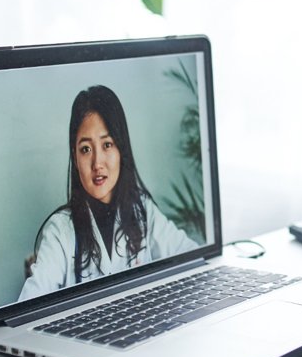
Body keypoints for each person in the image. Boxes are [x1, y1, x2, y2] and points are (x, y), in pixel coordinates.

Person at [20, 84, 198, 300]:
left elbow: (193, 259)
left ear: (121, 149)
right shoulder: (60, 231)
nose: (97, 163)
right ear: (75, 157)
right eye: (86, 149)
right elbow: (31, 301)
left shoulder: (142, 210)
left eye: (107, 145)